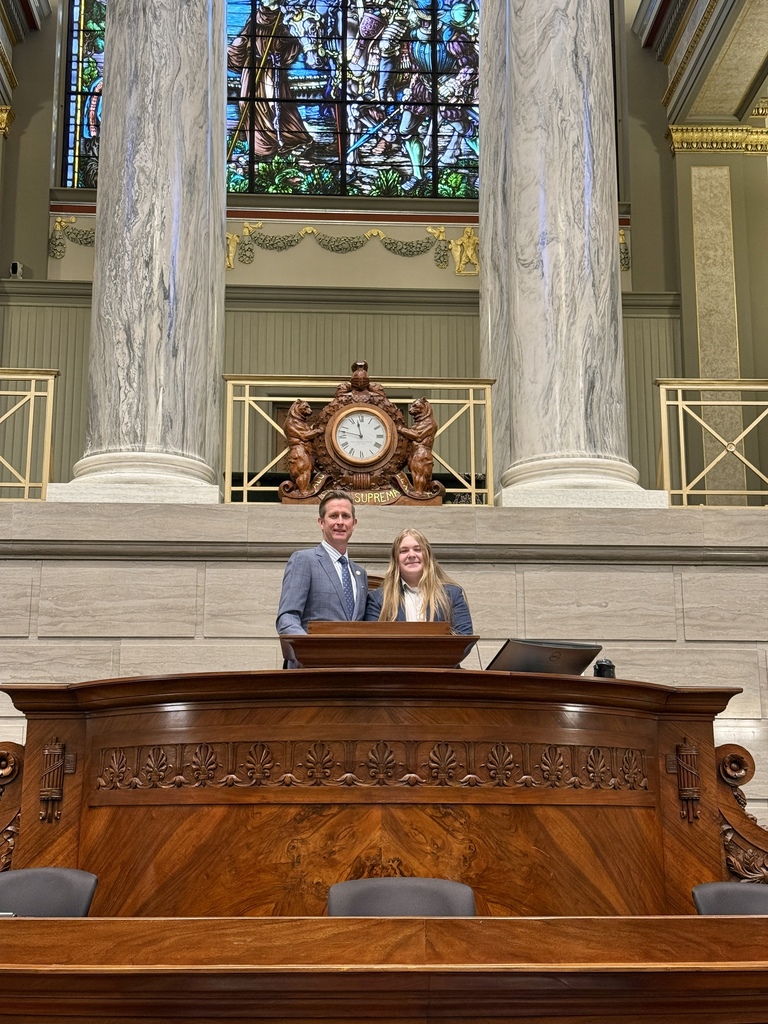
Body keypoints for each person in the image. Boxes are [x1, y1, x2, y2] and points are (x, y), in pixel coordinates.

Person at [276, 490, 368, 643]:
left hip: (351, 663)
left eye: (345, 516)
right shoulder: (304, 560)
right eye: (333, 516)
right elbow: (287, 618)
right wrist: (310, 649)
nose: (340, 522)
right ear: (321, 522)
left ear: (354, 524)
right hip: (313, 663)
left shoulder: (360, 574)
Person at [365, 528, 473, 634]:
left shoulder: (452, 595)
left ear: (427, 556)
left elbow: (464, 638)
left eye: (418, 549)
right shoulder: (378, 599)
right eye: (404, 551)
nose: (411, 555)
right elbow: (372, 642)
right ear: (396, 560)